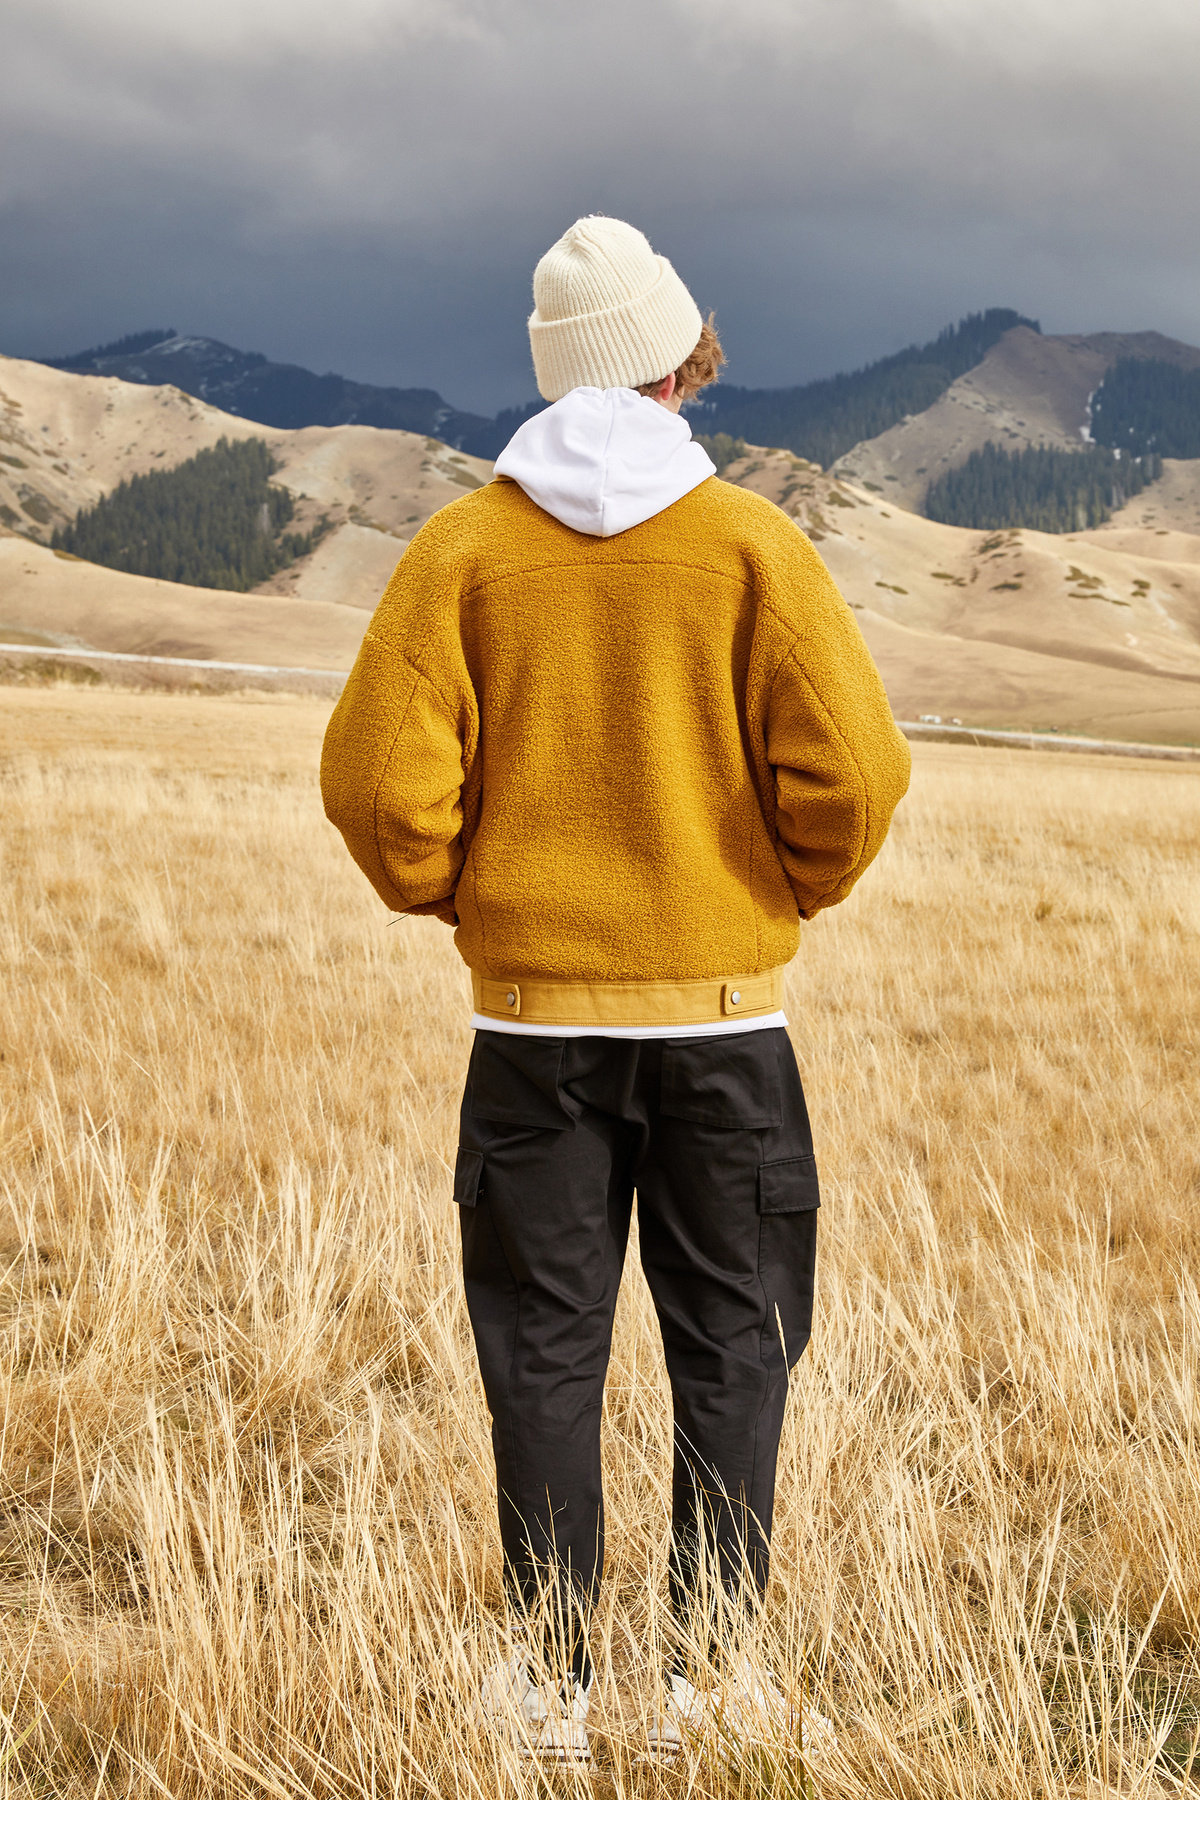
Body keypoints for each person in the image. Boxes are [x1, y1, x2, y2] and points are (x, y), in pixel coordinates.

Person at [321, 215, 911, 1764]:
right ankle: (710, 1683)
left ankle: (550, 1689)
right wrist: (777, 892)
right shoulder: (754, 547)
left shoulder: (462, 553)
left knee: (541, 1352)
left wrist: (471, 896)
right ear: (676, 362)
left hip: (533, 1035)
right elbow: (857, 776)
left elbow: (376, 788)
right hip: (726, 1030)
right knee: (734, 1344)